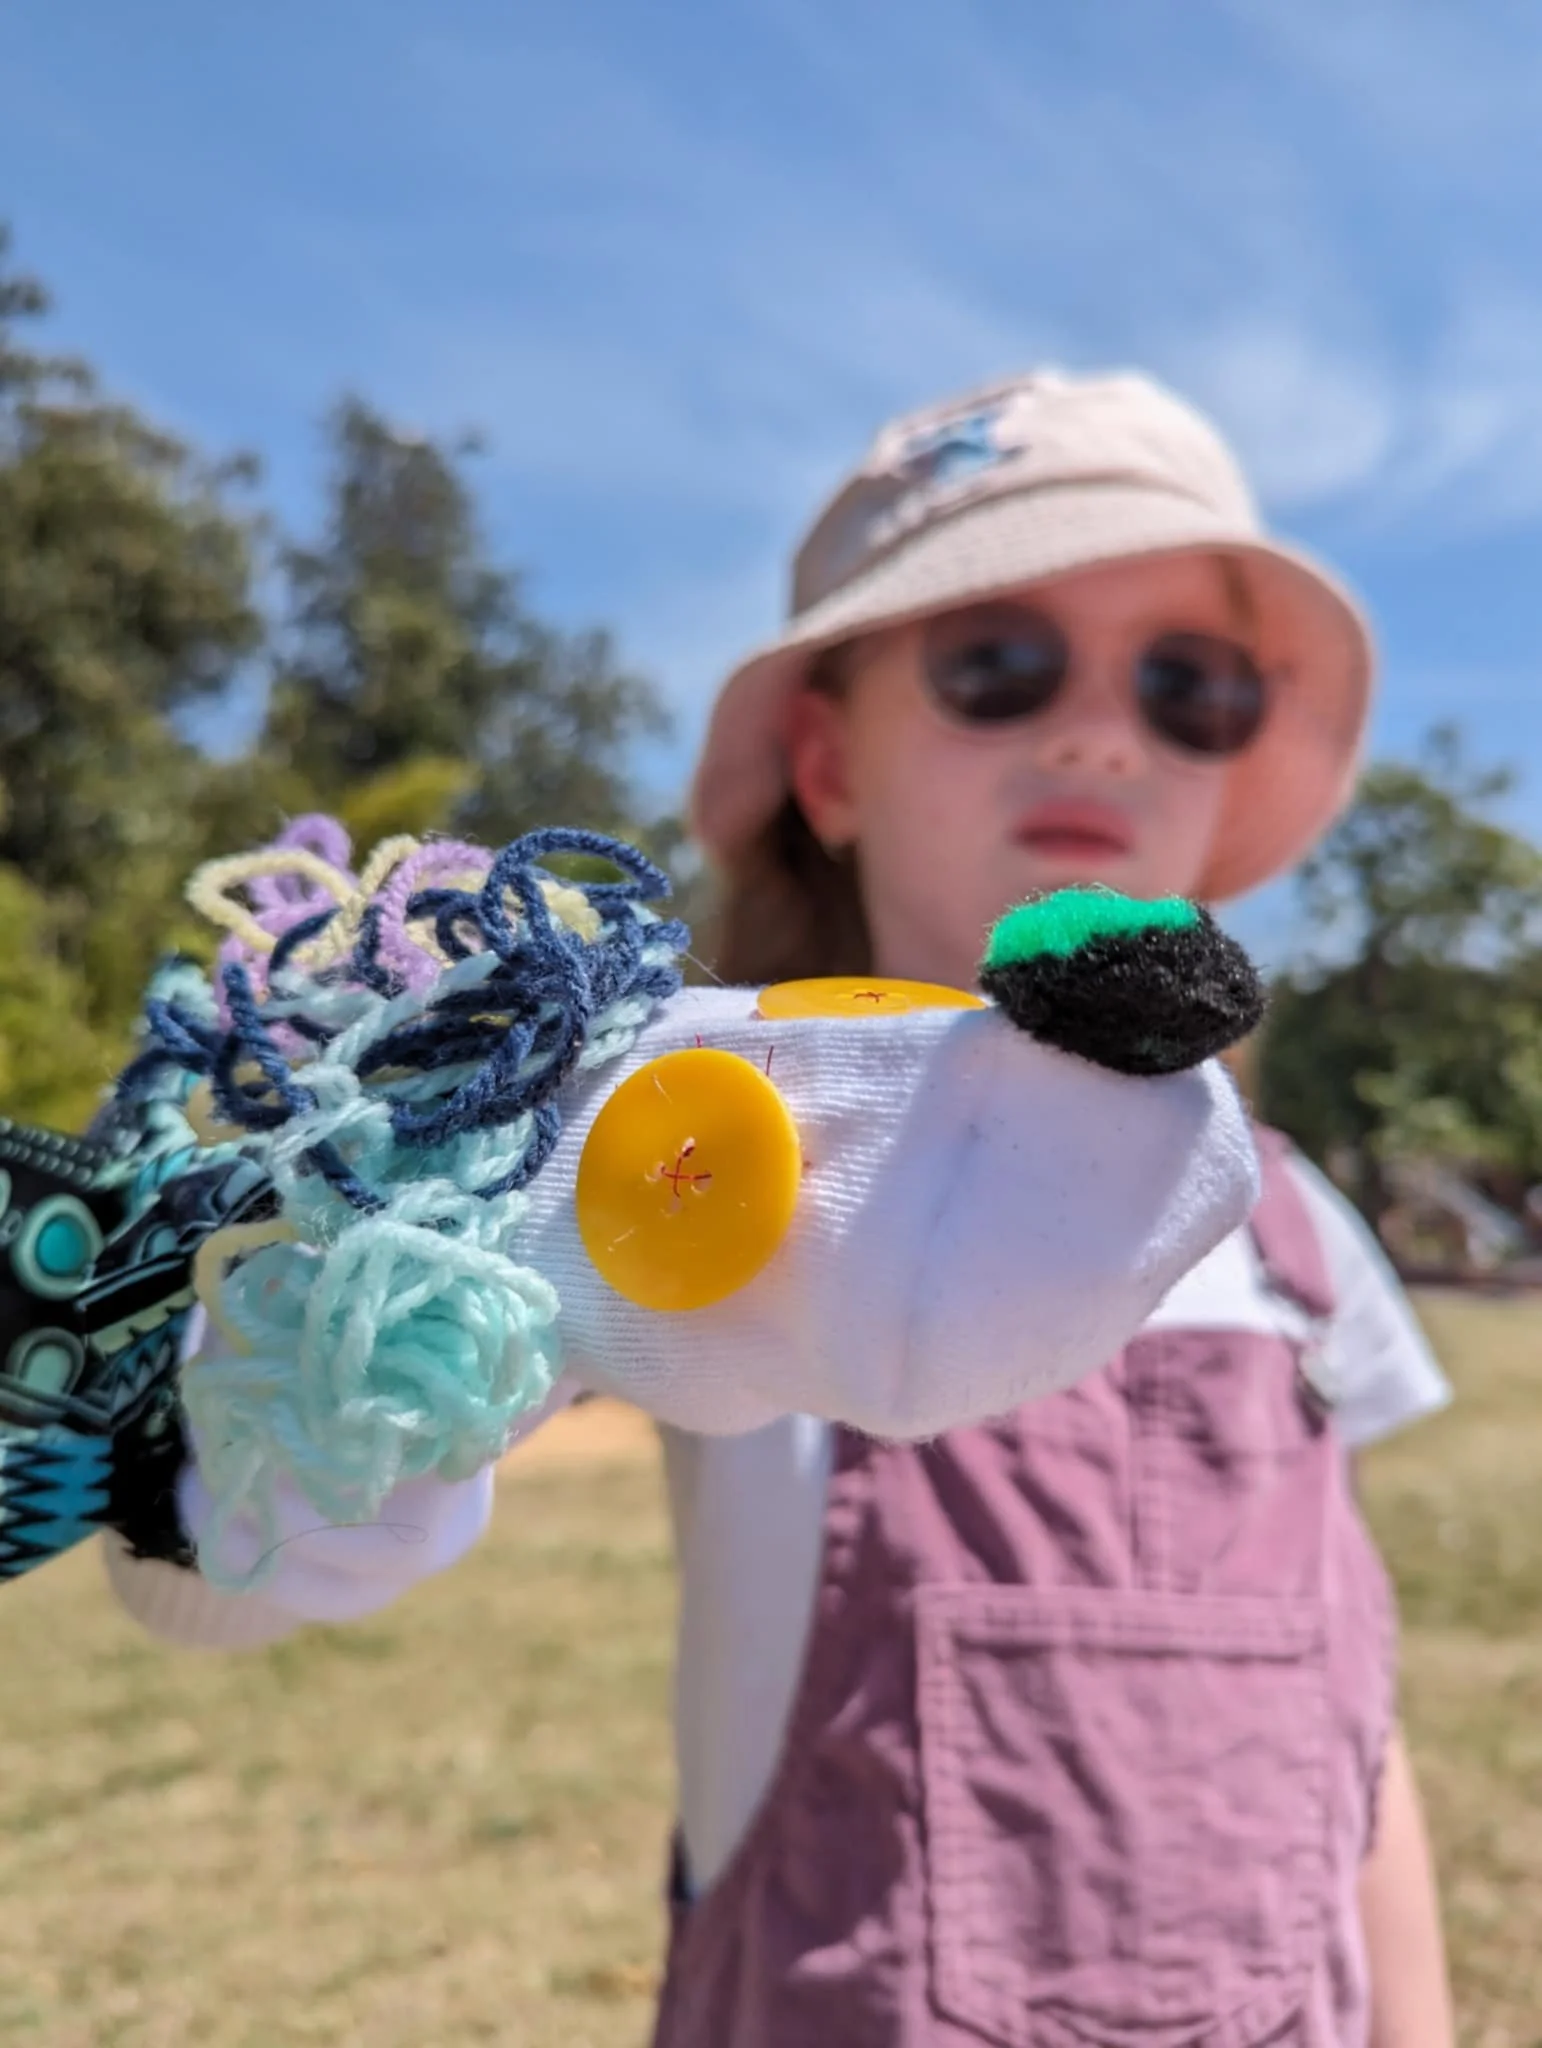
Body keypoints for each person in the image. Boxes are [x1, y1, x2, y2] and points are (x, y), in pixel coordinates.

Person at [106, 368, 1454, 2045]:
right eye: (998, 661)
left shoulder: (1298, 1234)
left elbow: (1355, 1732)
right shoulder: (693, 1165)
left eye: (1186, 683)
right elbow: (206, 1584)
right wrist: (338, 1390)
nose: (1102, 728)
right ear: (826, 759)